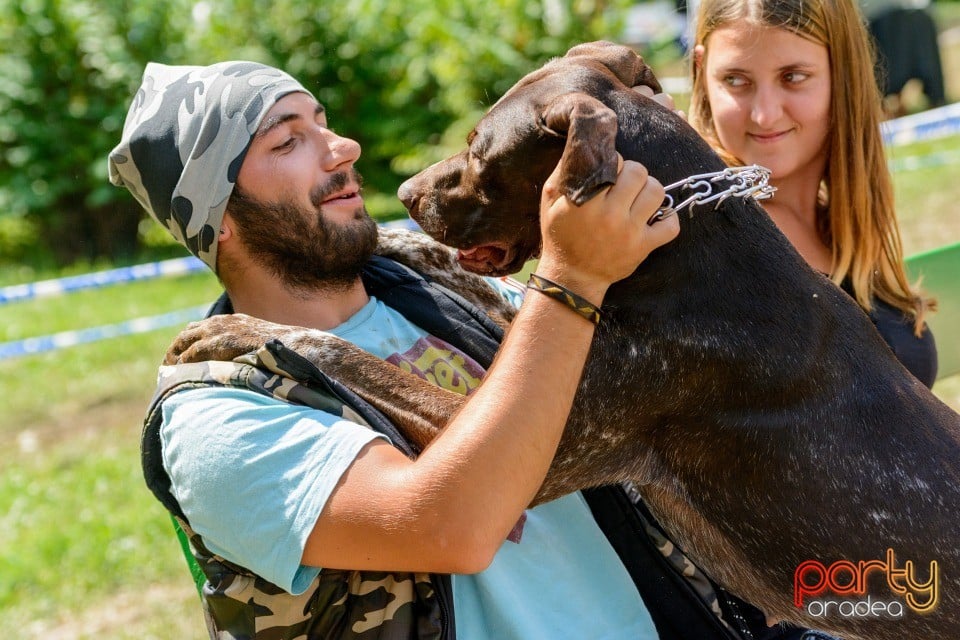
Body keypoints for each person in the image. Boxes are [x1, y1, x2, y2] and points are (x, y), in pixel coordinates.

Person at [688, 0, 938, 387]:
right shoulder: (704, 233)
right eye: (736, 80)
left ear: (843, 71)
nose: (764, 115)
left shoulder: (844, 224)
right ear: (701, 70)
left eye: (792, 77)